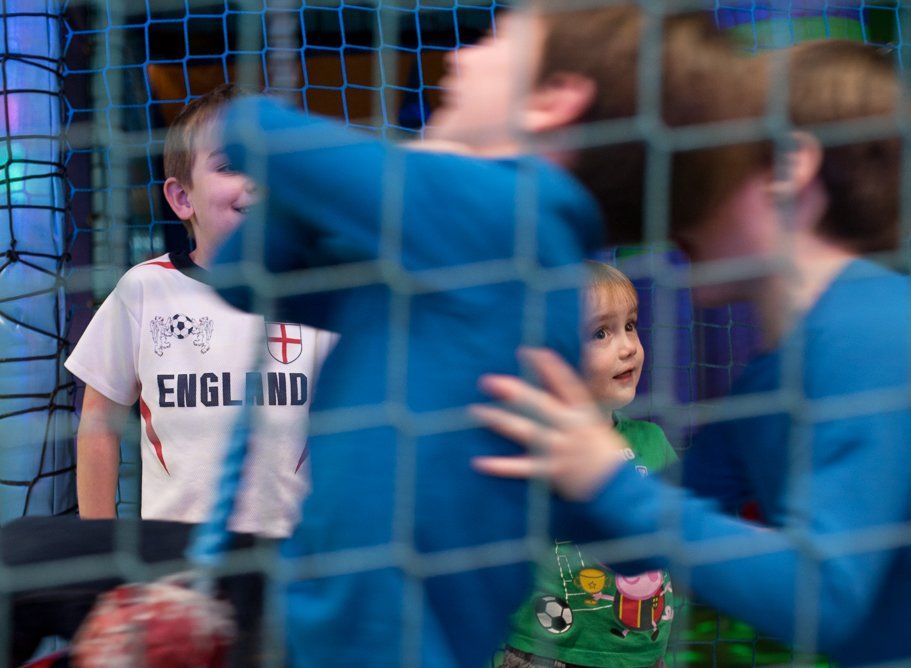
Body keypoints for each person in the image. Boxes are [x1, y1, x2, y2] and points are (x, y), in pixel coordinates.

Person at [209, 6, 752, 667]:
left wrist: (418, 157)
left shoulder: (488, 212)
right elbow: (247, 283)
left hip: (373, 635)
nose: (459, 58)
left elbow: (249, 129)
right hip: (367, 628)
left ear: (554, 100)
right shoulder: (518, 257)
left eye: (495, 41)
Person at [471, 40, 911, 666]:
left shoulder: (878, 328)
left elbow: (822, 597)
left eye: (700, 173)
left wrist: (604, 475)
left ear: (786, 167)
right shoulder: (767, 380)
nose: (676, 207)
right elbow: (638, 536)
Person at [65, 82, 337, 536]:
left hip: (296, 549)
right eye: (231, 165)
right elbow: (97, 425)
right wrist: (97, 546)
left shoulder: (320, 290)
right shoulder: (146, 289)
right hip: (177, 553)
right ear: (181, 198)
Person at [501, 261, 677, 668]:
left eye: (630, 325)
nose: (628, 346)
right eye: (601, 332)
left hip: (641, 655)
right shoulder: (531, 445)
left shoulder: (653, 443)